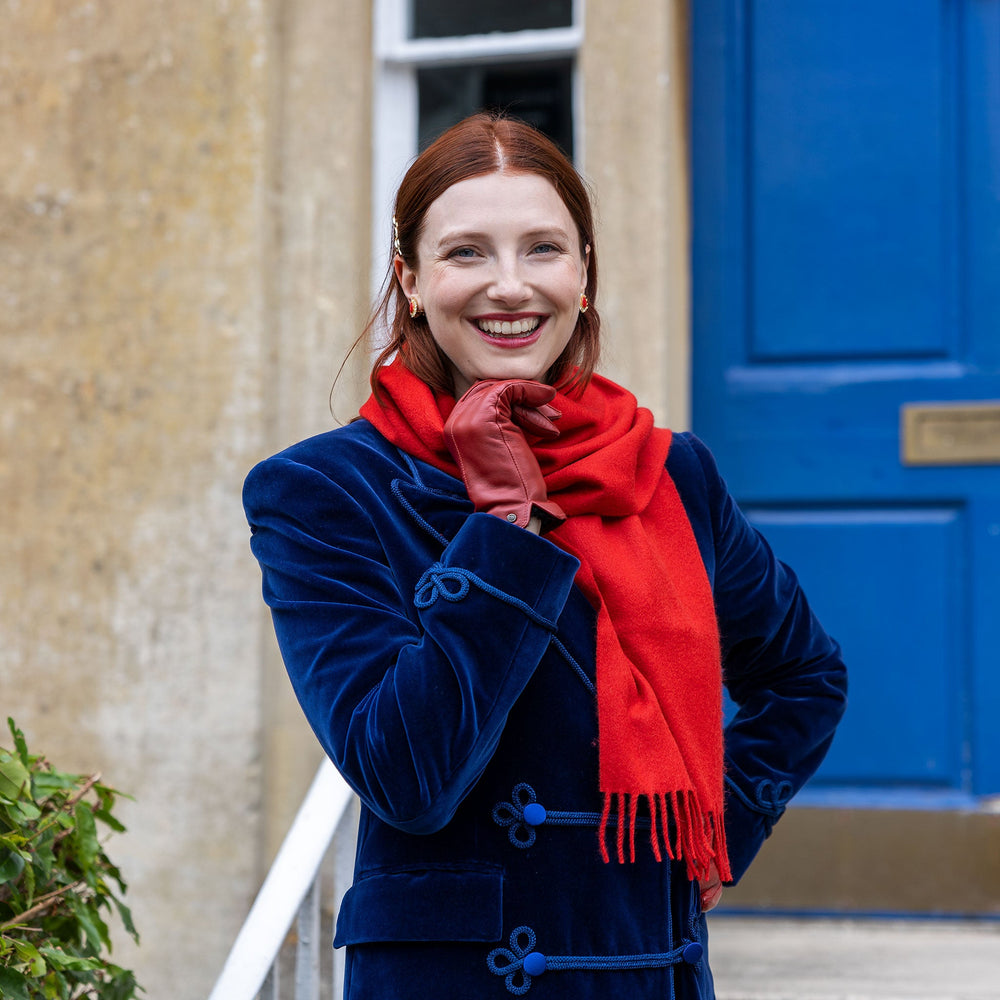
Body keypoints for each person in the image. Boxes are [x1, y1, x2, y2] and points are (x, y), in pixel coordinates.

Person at [243, 112, 847, 999]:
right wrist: (502, 526)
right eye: (467, 254)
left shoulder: (669, 469)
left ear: (585, 272)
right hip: (458, 981)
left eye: (542, 249)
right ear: (411, 280)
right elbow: (406, 776)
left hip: (649, 967)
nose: (510, 287)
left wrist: (709, 835)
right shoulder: (324, 490)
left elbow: (804, 679)